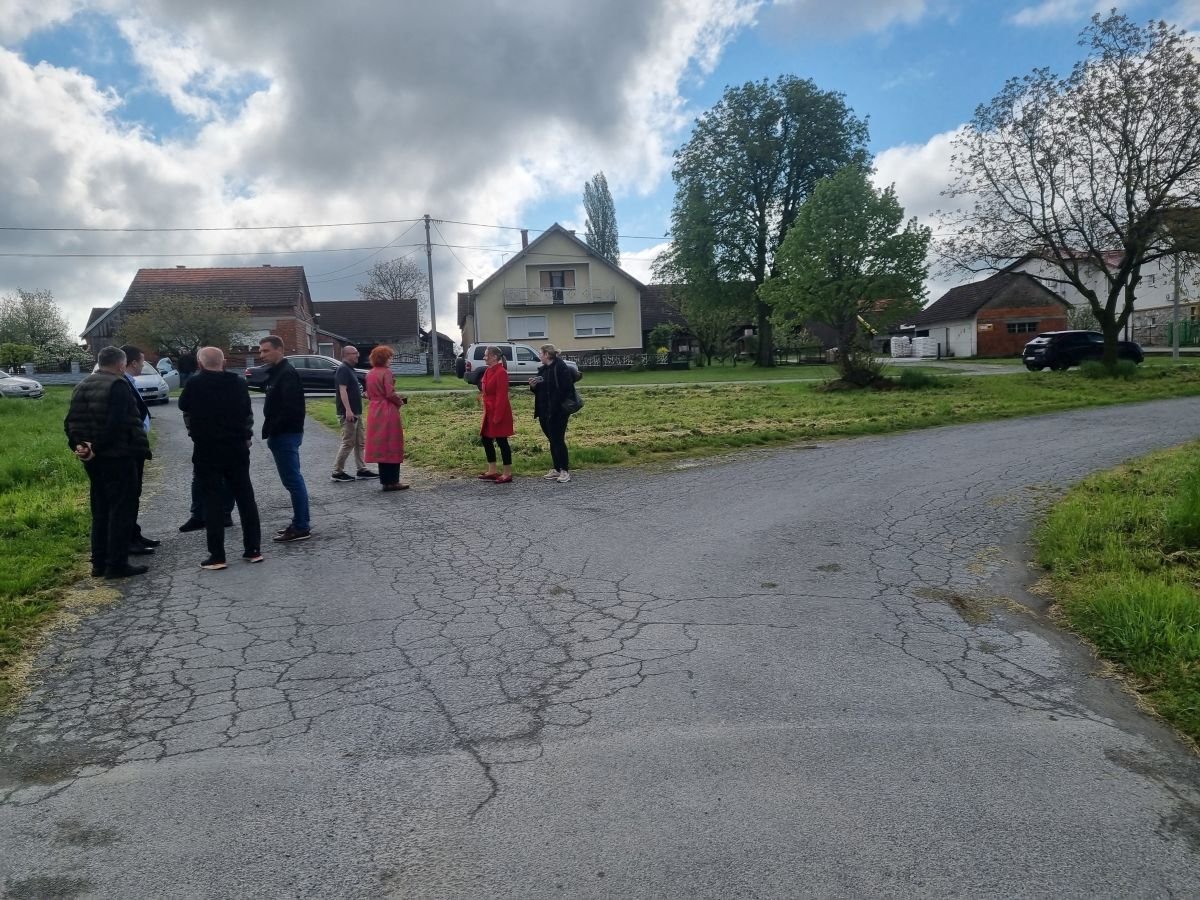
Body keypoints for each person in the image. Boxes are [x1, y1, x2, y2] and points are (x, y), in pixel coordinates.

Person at [64, 346, 151, 579]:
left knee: (100, 509)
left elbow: (70, 422)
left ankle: (99, 563)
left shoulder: (81, 385)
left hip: (92, 459)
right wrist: (99, 447)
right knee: (121, 510)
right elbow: (117, 423)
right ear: (121, 365)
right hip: (118, 456)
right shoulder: (118, 385)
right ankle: (117, 564)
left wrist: (79, 446)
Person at [177, 347, 263, 570]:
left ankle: (217, 556)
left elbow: (183, 405)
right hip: (236, 447)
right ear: (223, 362)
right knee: (245, 497)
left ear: (200, 363)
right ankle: (253, 549)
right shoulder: (238, 383)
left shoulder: (195, 383)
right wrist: (246, 435)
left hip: (207, 449)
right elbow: (247, 412)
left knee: (212, 501)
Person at [258, 335, 312, 542]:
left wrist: (275, 429)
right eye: (261, 351)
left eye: (266, 350)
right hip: (280, 434)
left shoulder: (287, 374)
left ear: (279, 349)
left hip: (286, 434)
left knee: (293, 480)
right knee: (292, 480)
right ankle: (299, 522)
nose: (262, 355)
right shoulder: (276, 373)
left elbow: (291, 408)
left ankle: (301, 526)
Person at [119, 345, 160, 555]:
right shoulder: (121, 384)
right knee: (129, 495)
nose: (143, 366)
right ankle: (128, 540)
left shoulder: (130, 382)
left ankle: (134, 534)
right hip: (129, 448)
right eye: (142, 362)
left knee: (135, 493)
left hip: (135, 446)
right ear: (133, 362)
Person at [364, 345, 408, 491]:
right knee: (393, 443)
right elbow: (390, 393)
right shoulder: (386, 372)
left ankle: (385, 481)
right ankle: (393, 481)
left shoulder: (370, 373)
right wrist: (400, 401)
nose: (391, 360)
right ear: (383, 358)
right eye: (389, 357)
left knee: (381, 446)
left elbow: (368, 394)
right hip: (387, 410)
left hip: (374, 410)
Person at [529, 343, 574, 483]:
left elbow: (566, 388)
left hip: (558, 411)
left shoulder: (560, 367)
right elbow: (540, 390)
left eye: (540, 353)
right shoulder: (543, 369)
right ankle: (556, 468)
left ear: (547, 354)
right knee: (552, 440)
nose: (539, 356)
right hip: (544, 411)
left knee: (558, 440)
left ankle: (564, 471)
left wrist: (555, 406)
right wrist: (533, 386)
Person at [330, 345, 376, 482]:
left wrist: (363, 395)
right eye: (354, 353)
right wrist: (348, 410)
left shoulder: (350, 369)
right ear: (346, 355)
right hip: (349, 414)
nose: (357, 355)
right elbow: (342, 390)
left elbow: (351, 390)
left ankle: (362, 470)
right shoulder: (343, 369)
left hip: (357, 412)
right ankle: (337, 472)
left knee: (360, 442)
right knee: (348, 442)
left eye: (357, 353)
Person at [478, 345, 515, 484]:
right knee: (486, 439)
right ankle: (492, 470)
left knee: (501, 441)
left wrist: (497, 417)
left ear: (494, 357)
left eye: (486, 355)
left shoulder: (501, 372)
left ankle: (507, 473)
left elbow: (502, 396)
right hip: (489, 411)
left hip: (500, 412)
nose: (484, 357)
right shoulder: (488, 371)